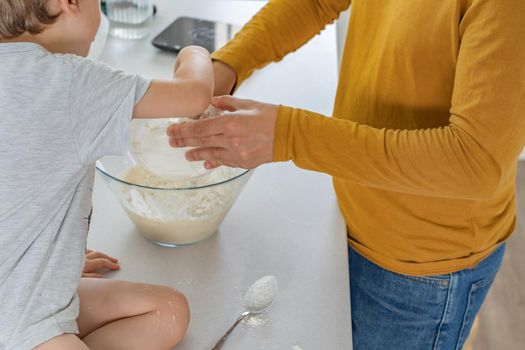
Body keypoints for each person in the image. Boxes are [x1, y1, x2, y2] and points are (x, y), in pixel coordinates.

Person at [167, 0, 525, 349]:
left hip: (421, 271)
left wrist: (290, 135)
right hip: (354, 211)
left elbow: (474, 163)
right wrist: (230, 63)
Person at [0, 0, 215, 348]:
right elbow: (194, 95)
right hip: (19, 323)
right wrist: (195, 49)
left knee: (168, 310)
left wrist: (53, 256)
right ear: (65, 3)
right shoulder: (71, 81)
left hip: (20, 296)